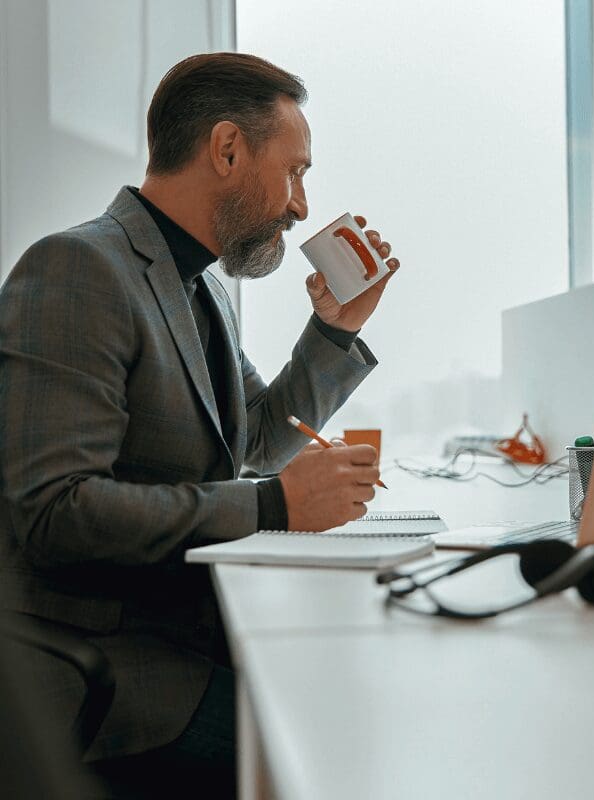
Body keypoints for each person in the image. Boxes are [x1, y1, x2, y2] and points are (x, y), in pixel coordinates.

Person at [0, 52, 399, 797]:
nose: (302, 205)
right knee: (331, 750)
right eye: (296, 172)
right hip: (112, 668)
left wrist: (334, 334)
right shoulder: (77, 269)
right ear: (225, 149)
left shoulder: (196, 288)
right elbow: (53, 512)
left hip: (184, 635)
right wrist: (275, 504)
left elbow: (251, 436)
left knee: (356, 694)